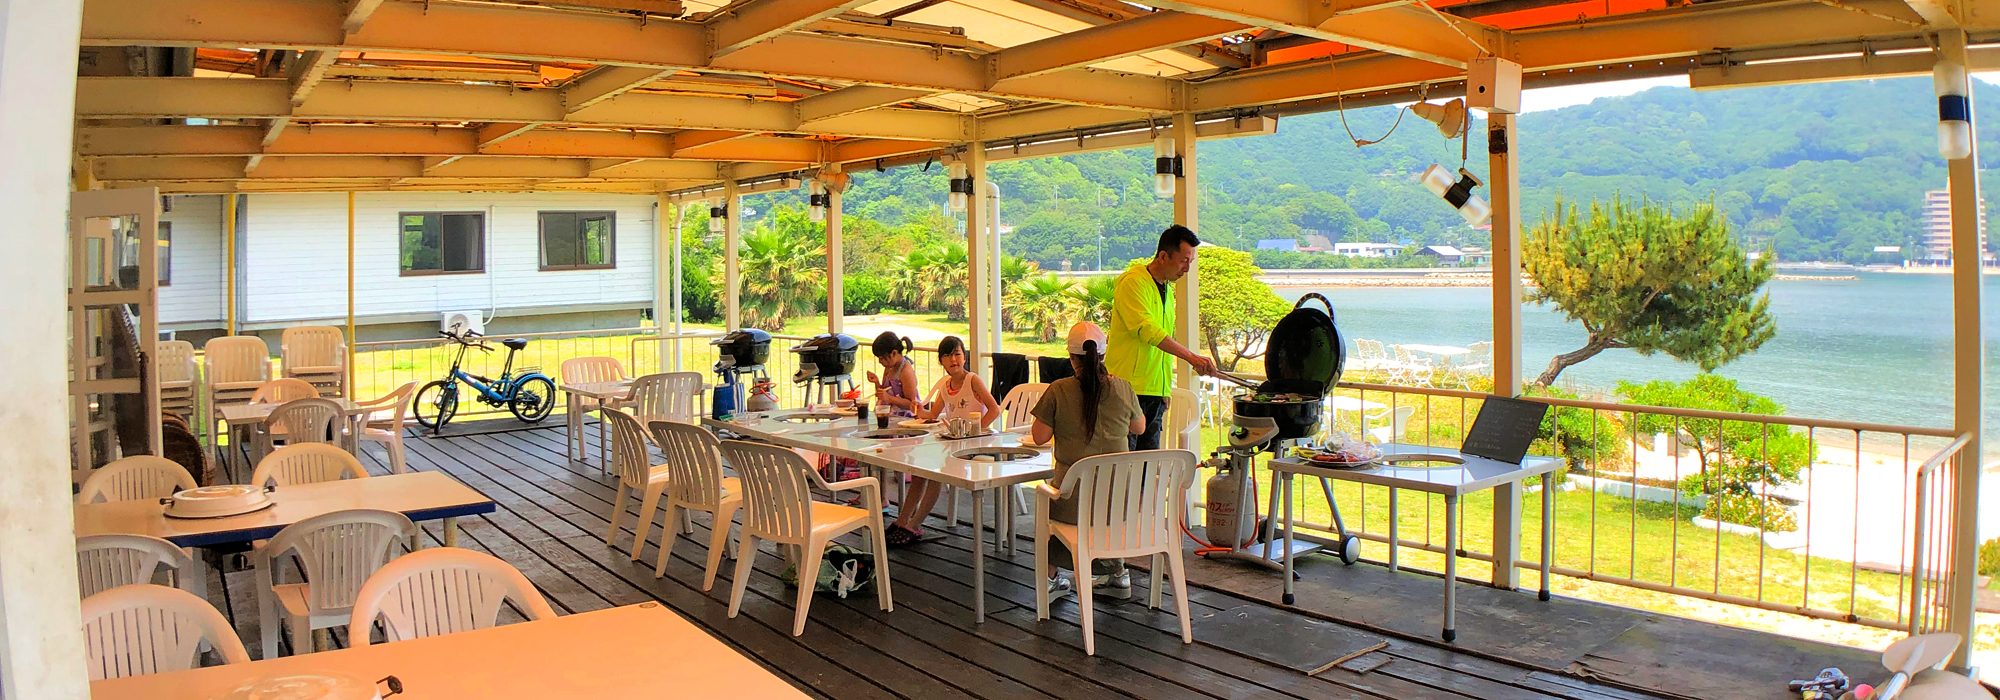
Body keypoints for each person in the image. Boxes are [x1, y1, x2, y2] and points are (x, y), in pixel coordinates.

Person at [1030, 322, 1146, 599]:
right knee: (1104, 496)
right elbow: (1139, 427)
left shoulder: (1059, 390)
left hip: (1075, 505)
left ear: (1071, 358)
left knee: (1052, 496)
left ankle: (1051, 579)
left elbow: (1038, 437)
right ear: (1103, 356)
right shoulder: (1123, 387)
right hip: (1121, 507)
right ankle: (1117, 574)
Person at [1107, 224, 1218, 451]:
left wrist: (1164, 389)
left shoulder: (1166, 290)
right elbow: (1149, 332)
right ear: (1163, 256)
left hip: (1154, 393)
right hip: (1126, 390)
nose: (1186, 268)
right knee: (1123, 466)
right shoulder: (1133, 282)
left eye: (1190, 262)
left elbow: (1162, 343)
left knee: (1148, 466)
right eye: (1183, 261)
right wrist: (1192, 358)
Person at [891, 336, 1000, 546]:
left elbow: (994, 409)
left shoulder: (972, 380)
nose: (953, 360)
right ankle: (903, 520)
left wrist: (976, 431)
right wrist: (918, 410)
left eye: (957, 354)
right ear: (941, 361)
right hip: (955, 441)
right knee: (920, 469)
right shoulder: (946, 385)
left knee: (936, 473)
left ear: (965, 357)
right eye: (947, 356)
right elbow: (933, 413)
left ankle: (915, 524)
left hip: (976, 443)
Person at [865, 332, 920, 419]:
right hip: (887, 415)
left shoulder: (906, 371)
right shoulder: (889, 367)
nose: (880, 361)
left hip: (904, 418)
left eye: (882, 358)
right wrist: (876, 382)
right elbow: (884, 393)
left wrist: (889, 398)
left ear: (894, 353)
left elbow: (911, 403)